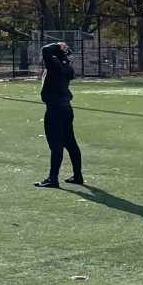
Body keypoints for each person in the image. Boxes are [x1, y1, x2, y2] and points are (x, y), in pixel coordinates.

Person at [35, 41, 83, 187]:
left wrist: (58, 45)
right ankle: (77, 175)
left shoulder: (54, 65)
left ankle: (53, 178)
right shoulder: (67, 67)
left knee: (56, 145)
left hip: (54, 109)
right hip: (67, 109)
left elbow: (45, 50)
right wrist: (63, 51)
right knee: (71, 143)